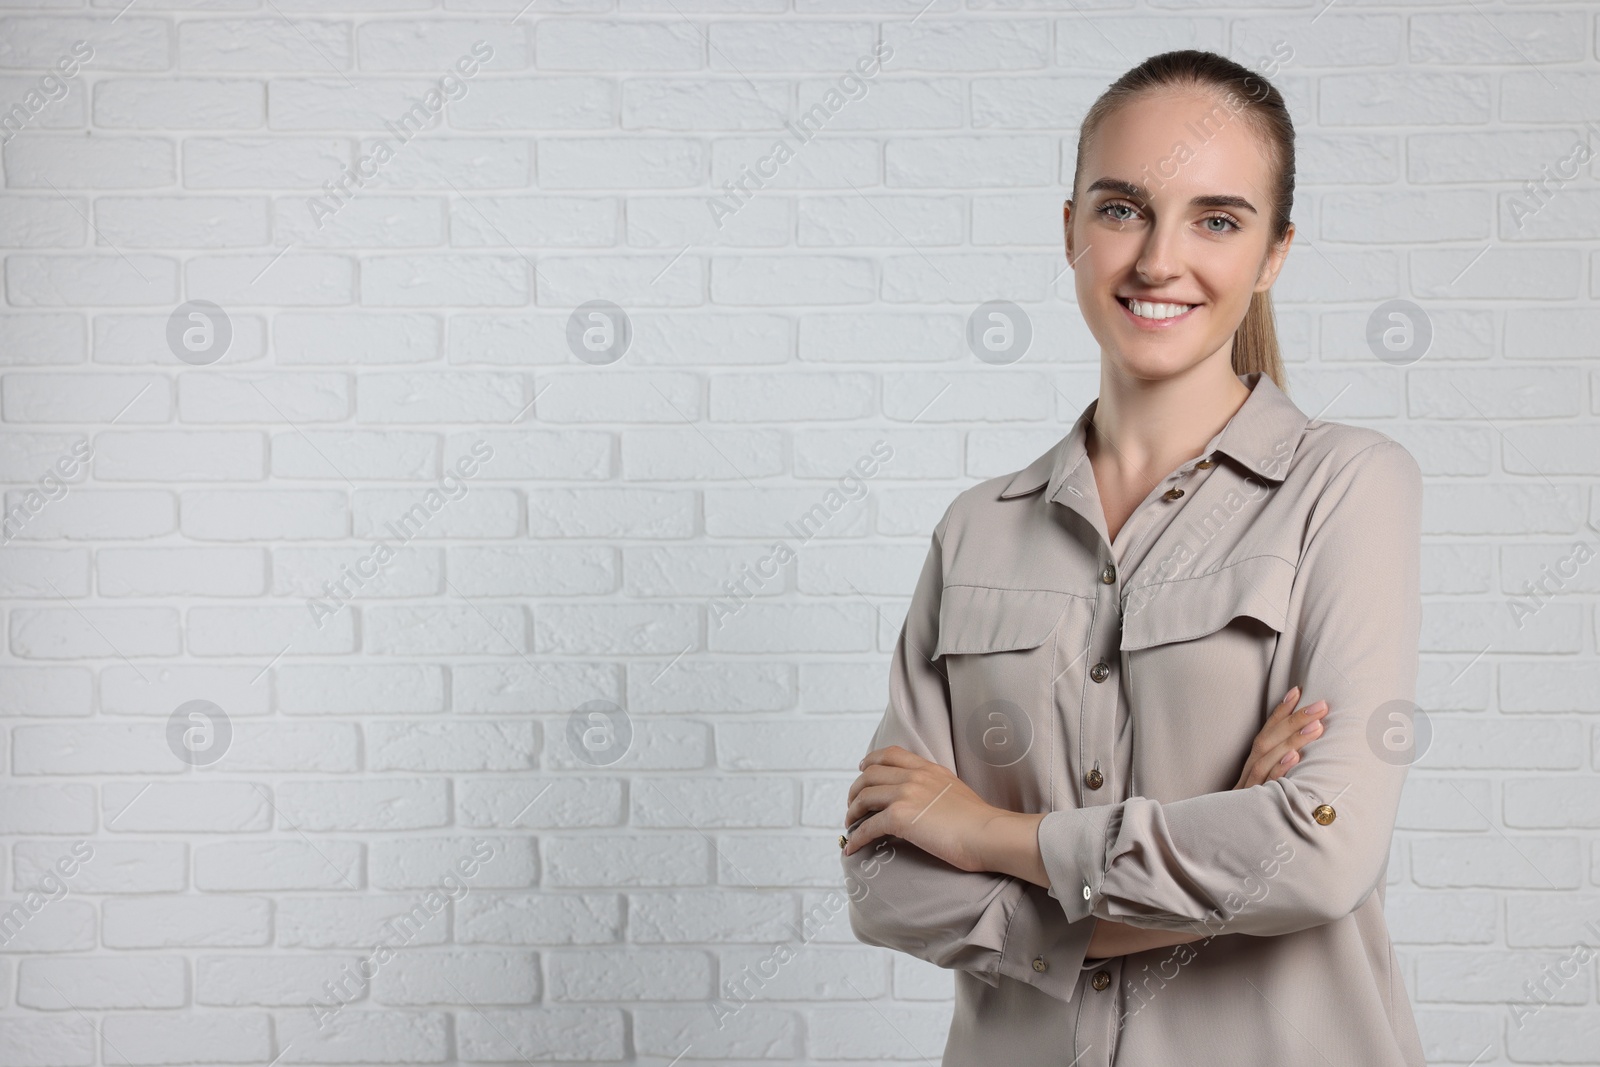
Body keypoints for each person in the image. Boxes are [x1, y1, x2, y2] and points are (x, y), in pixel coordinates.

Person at [838, 49, 1426, 1067]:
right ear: (1069, 228)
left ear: (1274, 252)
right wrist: (1217, 855)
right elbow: (887, 884)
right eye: (1121, 209)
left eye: (1217, 218)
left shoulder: (1348, 485)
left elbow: (1321, 851)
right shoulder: (976, 529)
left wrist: (992, 836)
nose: (1159, 260)